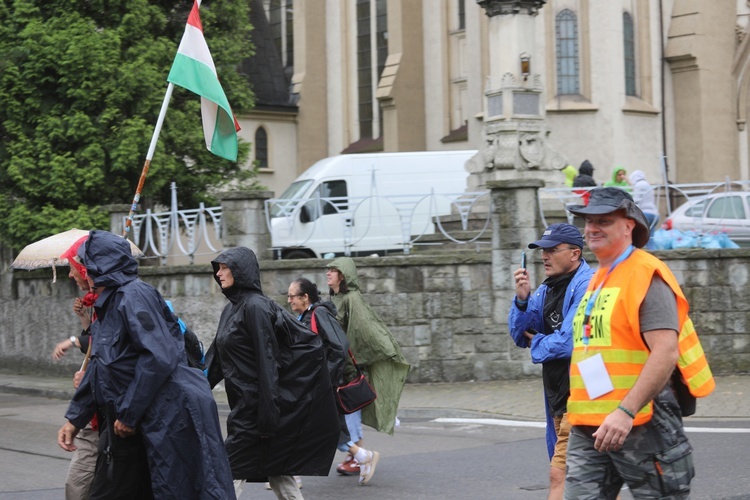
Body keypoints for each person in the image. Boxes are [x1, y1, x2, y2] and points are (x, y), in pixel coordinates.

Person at [57, 230, 235, 499]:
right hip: (133, 420)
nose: (73, 274)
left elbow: (158, 356)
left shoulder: (134, 296)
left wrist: (128, 413)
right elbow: (100, 366)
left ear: (97, 266)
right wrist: (75, 418)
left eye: (78, 266)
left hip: (165, 416)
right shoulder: (108, 304)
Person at [563, 188, 715, 499]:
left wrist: (625, 411)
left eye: (603, 221)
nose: (591, 229)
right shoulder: (599, 277)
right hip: (591, 421)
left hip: (640, 419)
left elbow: (665, 351)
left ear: (628, 225)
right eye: (588, 221)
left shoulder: (646, 273)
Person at [206, 247, 339, 500]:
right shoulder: (231, 309)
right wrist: (194, 386)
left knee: (226, 473)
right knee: (279, 472)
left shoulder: (256, 307)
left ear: (241, 270)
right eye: (218, 268)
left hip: (256, 410)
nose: (219, 273)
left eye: (224, 267)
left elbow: (267, 363)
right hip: (245, 406)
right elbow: (216, 360)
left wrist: (268, 414)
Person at [508, 223, 593, 500]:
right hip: (558, 398)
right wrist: (522, 300)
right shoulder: (546, 290)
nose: (544, 256)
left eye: (552, 250)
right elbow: (520, 335)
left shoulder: (587, 285)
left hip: (582, 396)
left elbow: (569, 342)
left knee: (560, 474)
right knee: (591, 479)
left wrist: (539, 341)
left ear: (574, 253)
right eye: (542, 250)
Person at [288, 277, 381, 485]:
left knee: (311, 425)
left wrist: (325, 380)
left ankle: (292, 473)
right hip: (314, 383)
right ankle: (363, 456)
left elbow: (339, 347)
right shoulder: (305, 316)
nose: (289, 300)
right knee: (323, 427)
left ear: (305, 297)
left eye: (292, 296)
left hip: (324, 384)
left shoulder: (319, 314)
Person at [325, 257, 410, 481]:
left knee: (348, 411)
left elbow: (367, 330)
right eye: (329, 270)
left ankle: (358, 456)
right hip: (338, 368)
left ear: (343, 275)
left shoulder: (352, 299)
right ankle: (358, 455)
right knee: (346, 412)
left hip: (348, 371)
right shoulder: (335, 299)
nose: (328, 274)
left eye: (333, 270)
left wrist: (383, 351)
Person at [52, 235, 99, 500]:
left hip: (103, 415)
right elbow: (97, 344)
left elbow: (104, 351)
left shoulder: (113, 303)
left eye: (72, 268)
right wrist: (84, 319)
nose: (70, 275)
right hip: (97, 410)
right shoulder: (95, 304)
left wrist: (89, 378)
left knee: (78, 486)